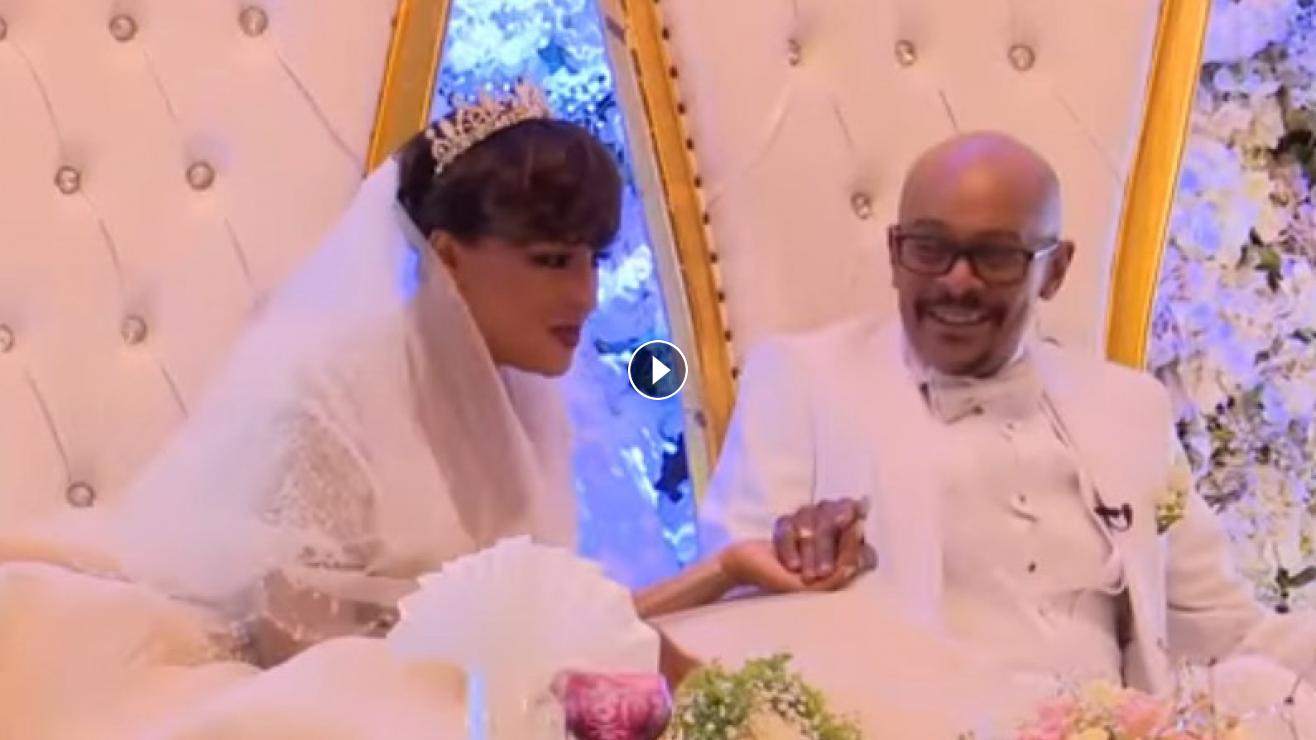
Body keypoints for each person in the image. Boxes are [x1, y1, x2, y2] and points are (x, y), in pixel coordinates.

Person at [0, 83, 870, 680]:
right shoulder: (329, 398)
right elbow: (300, 660)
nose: (585, 296)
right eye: (551, 261)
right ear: (448, 257)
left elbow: (544, 614)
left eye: (593, 260)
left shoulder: (526, 387)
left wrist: (724, 570)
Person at [699, 131, 1316, 697]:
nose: (956, 281)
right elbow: (729, 613)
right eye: (929, 249)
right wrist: (804, 562)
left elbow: (1224, 627)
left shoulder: (1131, 408)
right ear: (894, 254)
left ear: (1056, 270)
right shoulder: (803, 381)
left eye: (995, 256)